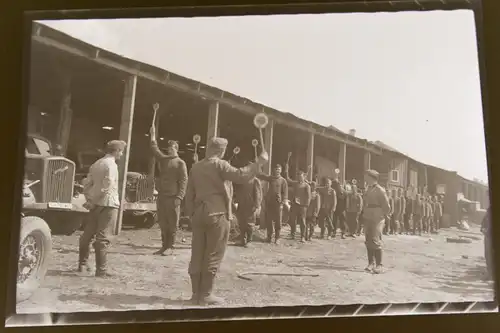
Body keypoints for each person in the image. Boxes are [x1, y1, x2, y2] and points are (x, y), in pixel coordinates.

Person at [184, 137, 268, 306]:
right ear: (222, 151)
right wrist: (259, 162)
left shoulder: (196, 167)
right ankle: (206, 295)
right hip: (217, 213)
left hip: (199, 214)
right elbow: (241, 175)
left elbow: (189, 193)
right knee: (213, 254)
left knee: (197, 254)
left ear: (208, 148)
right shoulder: (220, 164)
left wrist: (190, 214)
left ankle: (195, 295)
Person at [79, 140, 126, 277]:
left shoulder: (96, 164)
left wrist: (90, 200)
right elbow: (108, 185)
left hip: (96, 204)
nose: (121, 154)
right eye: (121, 151)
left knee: (87, 235)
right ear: (116, 151)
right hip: (108, 204)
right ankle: (101, 270)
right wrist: (96, 199)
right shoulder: (111, 165)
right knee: (103, 238)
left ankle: (82, 264)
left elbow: (87, 184)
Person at [150, 127, 188, 256]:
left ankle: (170, 246)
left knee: (172, 222)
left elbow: (184, 181)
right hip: (162, 196)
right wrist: (153, 135)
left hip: (173, 197)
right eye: (169, 148)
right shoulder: (164, 160)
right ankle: (163, 246)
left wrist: (180, 196)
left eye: (173, 148)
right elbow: (155, 150)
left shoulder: (180, 163)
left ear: (176, 149)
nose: (170, 149)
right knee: (162, 222)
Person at [361, 169, 391, 274]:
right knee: (368, 239)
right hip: (368, 215)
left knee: (375, 238)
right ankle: (370, 263)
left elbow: (386, 206)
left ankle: (379, 264)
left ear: (371, 178)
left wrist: (383, 216)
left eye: (367, 176)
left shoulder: (380, 190)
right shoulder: (368, 189)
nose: (365, 178)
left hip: (377, 217)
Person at [257, 164, 288, 244]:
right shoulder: (271, 178)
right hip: (270, 203)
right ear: (274, 170)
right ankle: (269, 237)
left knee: (278, 221)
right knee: (269, 221)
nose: (277, 170)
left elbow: (285, 194)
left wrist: (282, 204)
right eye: (276, 169)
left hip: (278, 203)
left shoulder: (283, 181)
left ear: (281, 170)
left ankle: (277, 238)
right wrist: (257, 166)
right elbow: (262, 176)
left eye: (279, 169)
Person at [234, 169, 263, 247]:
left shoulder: (255, 181)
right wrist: (236, 201)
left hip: (250, 205)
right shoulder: (242, 180)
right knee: (241, 223)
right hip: (241, 204)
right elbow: (238, 192)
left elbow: (258, 193)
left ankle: (249, 240)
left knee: (250, 224)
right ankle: (242, 240)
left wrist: (256, 205)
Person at [284, 164, 311, 243]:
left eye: (301, 175)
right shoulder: (295, 183)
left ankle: (302, 236)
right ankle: (293, 234)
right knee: (292, 220)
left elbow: (308, 197)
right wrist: (286, 170)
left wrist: (306, 205)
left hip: (303, 206)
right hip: (294, 205)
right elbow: (288, 179)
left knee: (302, 221)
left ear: (304, 176)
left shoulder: (307, 186)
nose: (299, 177)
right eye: (298, 176)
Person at [481, 207, 493, 280]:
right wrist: (483, 229)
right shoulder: (488, 212)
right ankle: (489, 273)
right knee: (488, 255)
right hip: (488, 237)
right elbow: (483, 224)